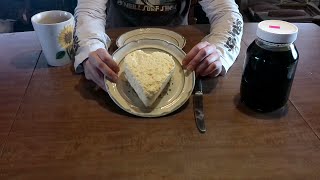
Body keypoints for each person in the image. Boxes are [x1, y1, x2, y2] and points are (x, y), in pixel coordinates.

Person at [73, 0, 243, 90]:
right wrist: (91, 49)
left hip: (179, 59)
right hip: (115, 55)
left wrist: (218, 50)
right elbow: (89, 12)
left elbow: (226, 13)